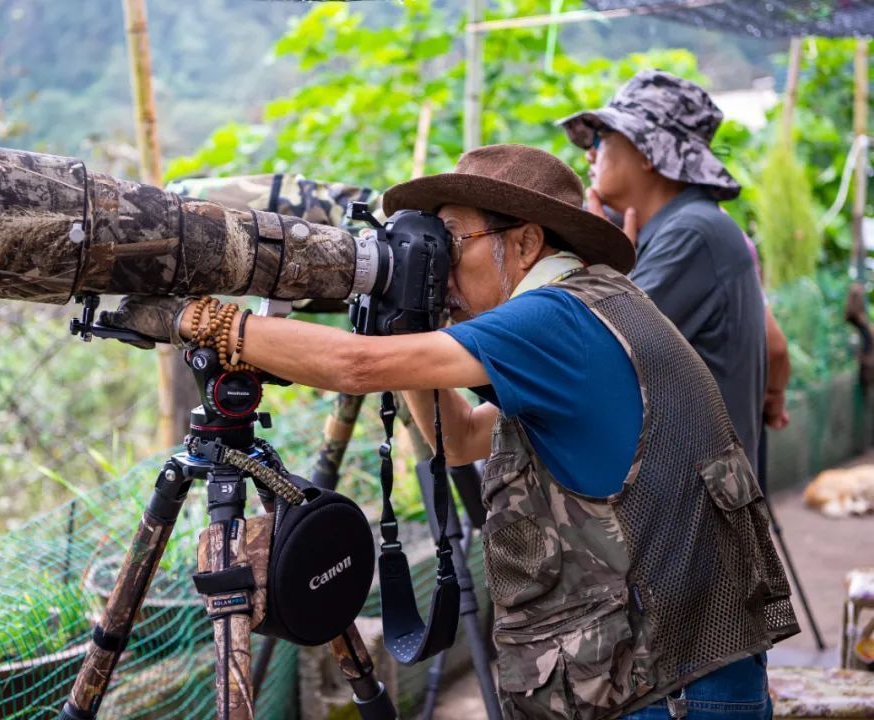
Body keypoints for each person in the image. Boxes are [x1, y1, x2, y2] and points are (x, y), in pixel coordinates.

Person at [104, 144, 798, 719]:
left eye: (452, 243)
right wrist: (407, 318)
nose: (440, 265)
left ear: (523, 243)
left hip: (671, 693)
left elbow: (351, 367)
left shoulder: (555, 320)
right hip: (690, 672)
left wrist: (209, 323)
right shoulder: (601, 307)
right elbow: (461, 438)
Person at [560, 70, 769, 473]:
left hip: (699, 502)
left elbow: (594, 353)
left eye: (601, 139)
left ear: (647, 151)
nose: (589, 154)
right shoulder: (680, 227)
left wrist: (593, 261)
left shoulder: (691, 233)